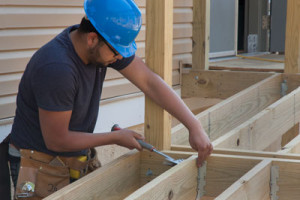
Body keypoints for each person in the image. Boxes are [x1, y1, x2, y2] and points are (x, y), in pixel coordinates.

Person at [8, 0, 213, 198]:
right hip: (38, 163)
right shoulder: (57, 68)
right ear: (92, 39)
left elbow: (149, 82)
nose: (119, 58)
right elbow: (57, 140)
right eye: (116, 51)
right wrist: (115, 137)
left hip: (70, 157)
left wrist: (194, 126)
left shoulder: (99, 44)